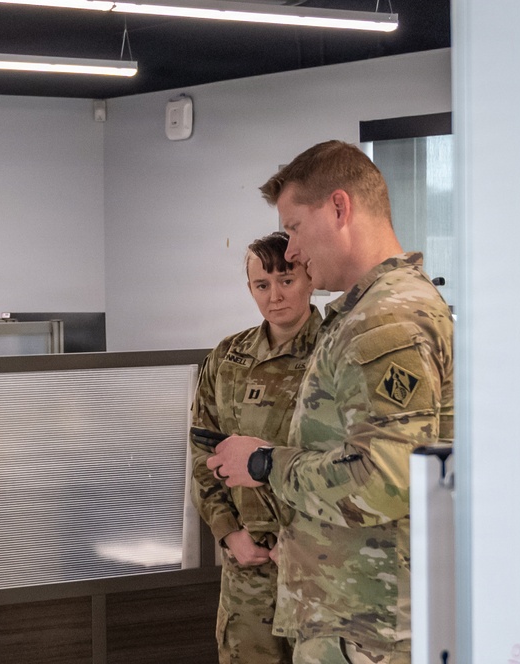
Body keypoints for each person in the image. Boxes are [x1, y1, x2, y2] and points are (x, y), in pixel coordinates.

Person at [207, 140, 453, 663]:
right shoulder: (371, 312)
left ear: (339, 208)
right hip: (357, 615)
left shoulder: (385, 321)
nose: (291, 250)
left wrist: (264, 461)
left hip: (370, 625)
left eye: (294, 227)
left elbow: (385, 480)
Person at [190, 231, 320, 664]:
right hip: (249, 567)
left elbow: (353, 459)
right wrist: (228, 533)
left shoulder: (336, 353)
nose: (275, 296)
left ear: (310, 277)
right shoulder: (229, 357)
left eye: (286, 279)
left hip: (320, 570)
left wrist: (304, 542)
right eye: (262, 285)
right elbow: (202, 451)